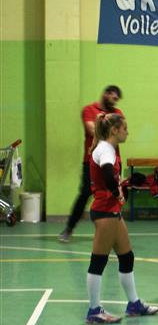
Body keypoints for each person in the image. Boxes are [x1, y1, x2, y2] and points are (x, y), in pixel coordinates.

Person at [85, 113, 158, 324]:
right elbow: (108, 175)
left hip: (112, 211)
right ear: (114, 130)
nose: (128, 132)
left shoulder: (108, 149)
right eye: (125, 128)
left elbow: (110, 177)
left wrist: (120, 186)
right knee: (98, 261)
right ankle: (94, 310)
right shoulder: (106, 149)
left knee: (127, 257)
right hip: (105, 211)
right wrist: (117, 193)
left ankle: (134, 304)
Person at [59, 86, 123, 242]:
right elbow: (91, 130)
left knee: (115, 193)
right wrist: (109, 130)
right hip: (91, 161)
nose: (115, 102)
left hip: (113, 160)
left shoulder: (118, 113)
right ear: (106, 94)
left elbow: (119, 133)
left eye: (117, 100)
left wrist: (102, 127)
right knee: (86, 193)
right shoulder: (89, 110)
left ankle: (115, 230)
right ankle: (69, 228)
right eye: (113, 98)